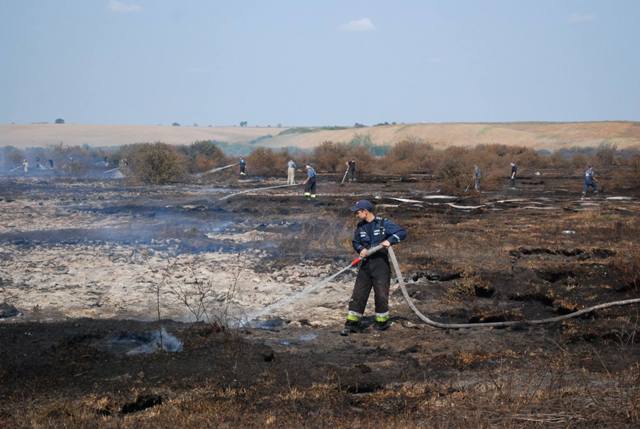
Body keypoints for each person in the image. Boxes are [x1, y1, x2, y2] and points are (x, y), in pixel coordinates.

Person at [341, 200, 407, 336]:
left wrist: (389, 241)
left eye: (358, 212)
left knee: (381, 294)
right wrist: (360, 249)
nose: (356, 215)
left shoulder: (382, 224)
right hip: (365, 265)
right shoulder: (360, 227)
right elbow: (356, 242)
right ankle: (352, 323)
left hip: (380, 265)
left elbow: (401, 232)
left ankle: (381, 323)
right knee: (358, 294)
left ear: (365, 211)